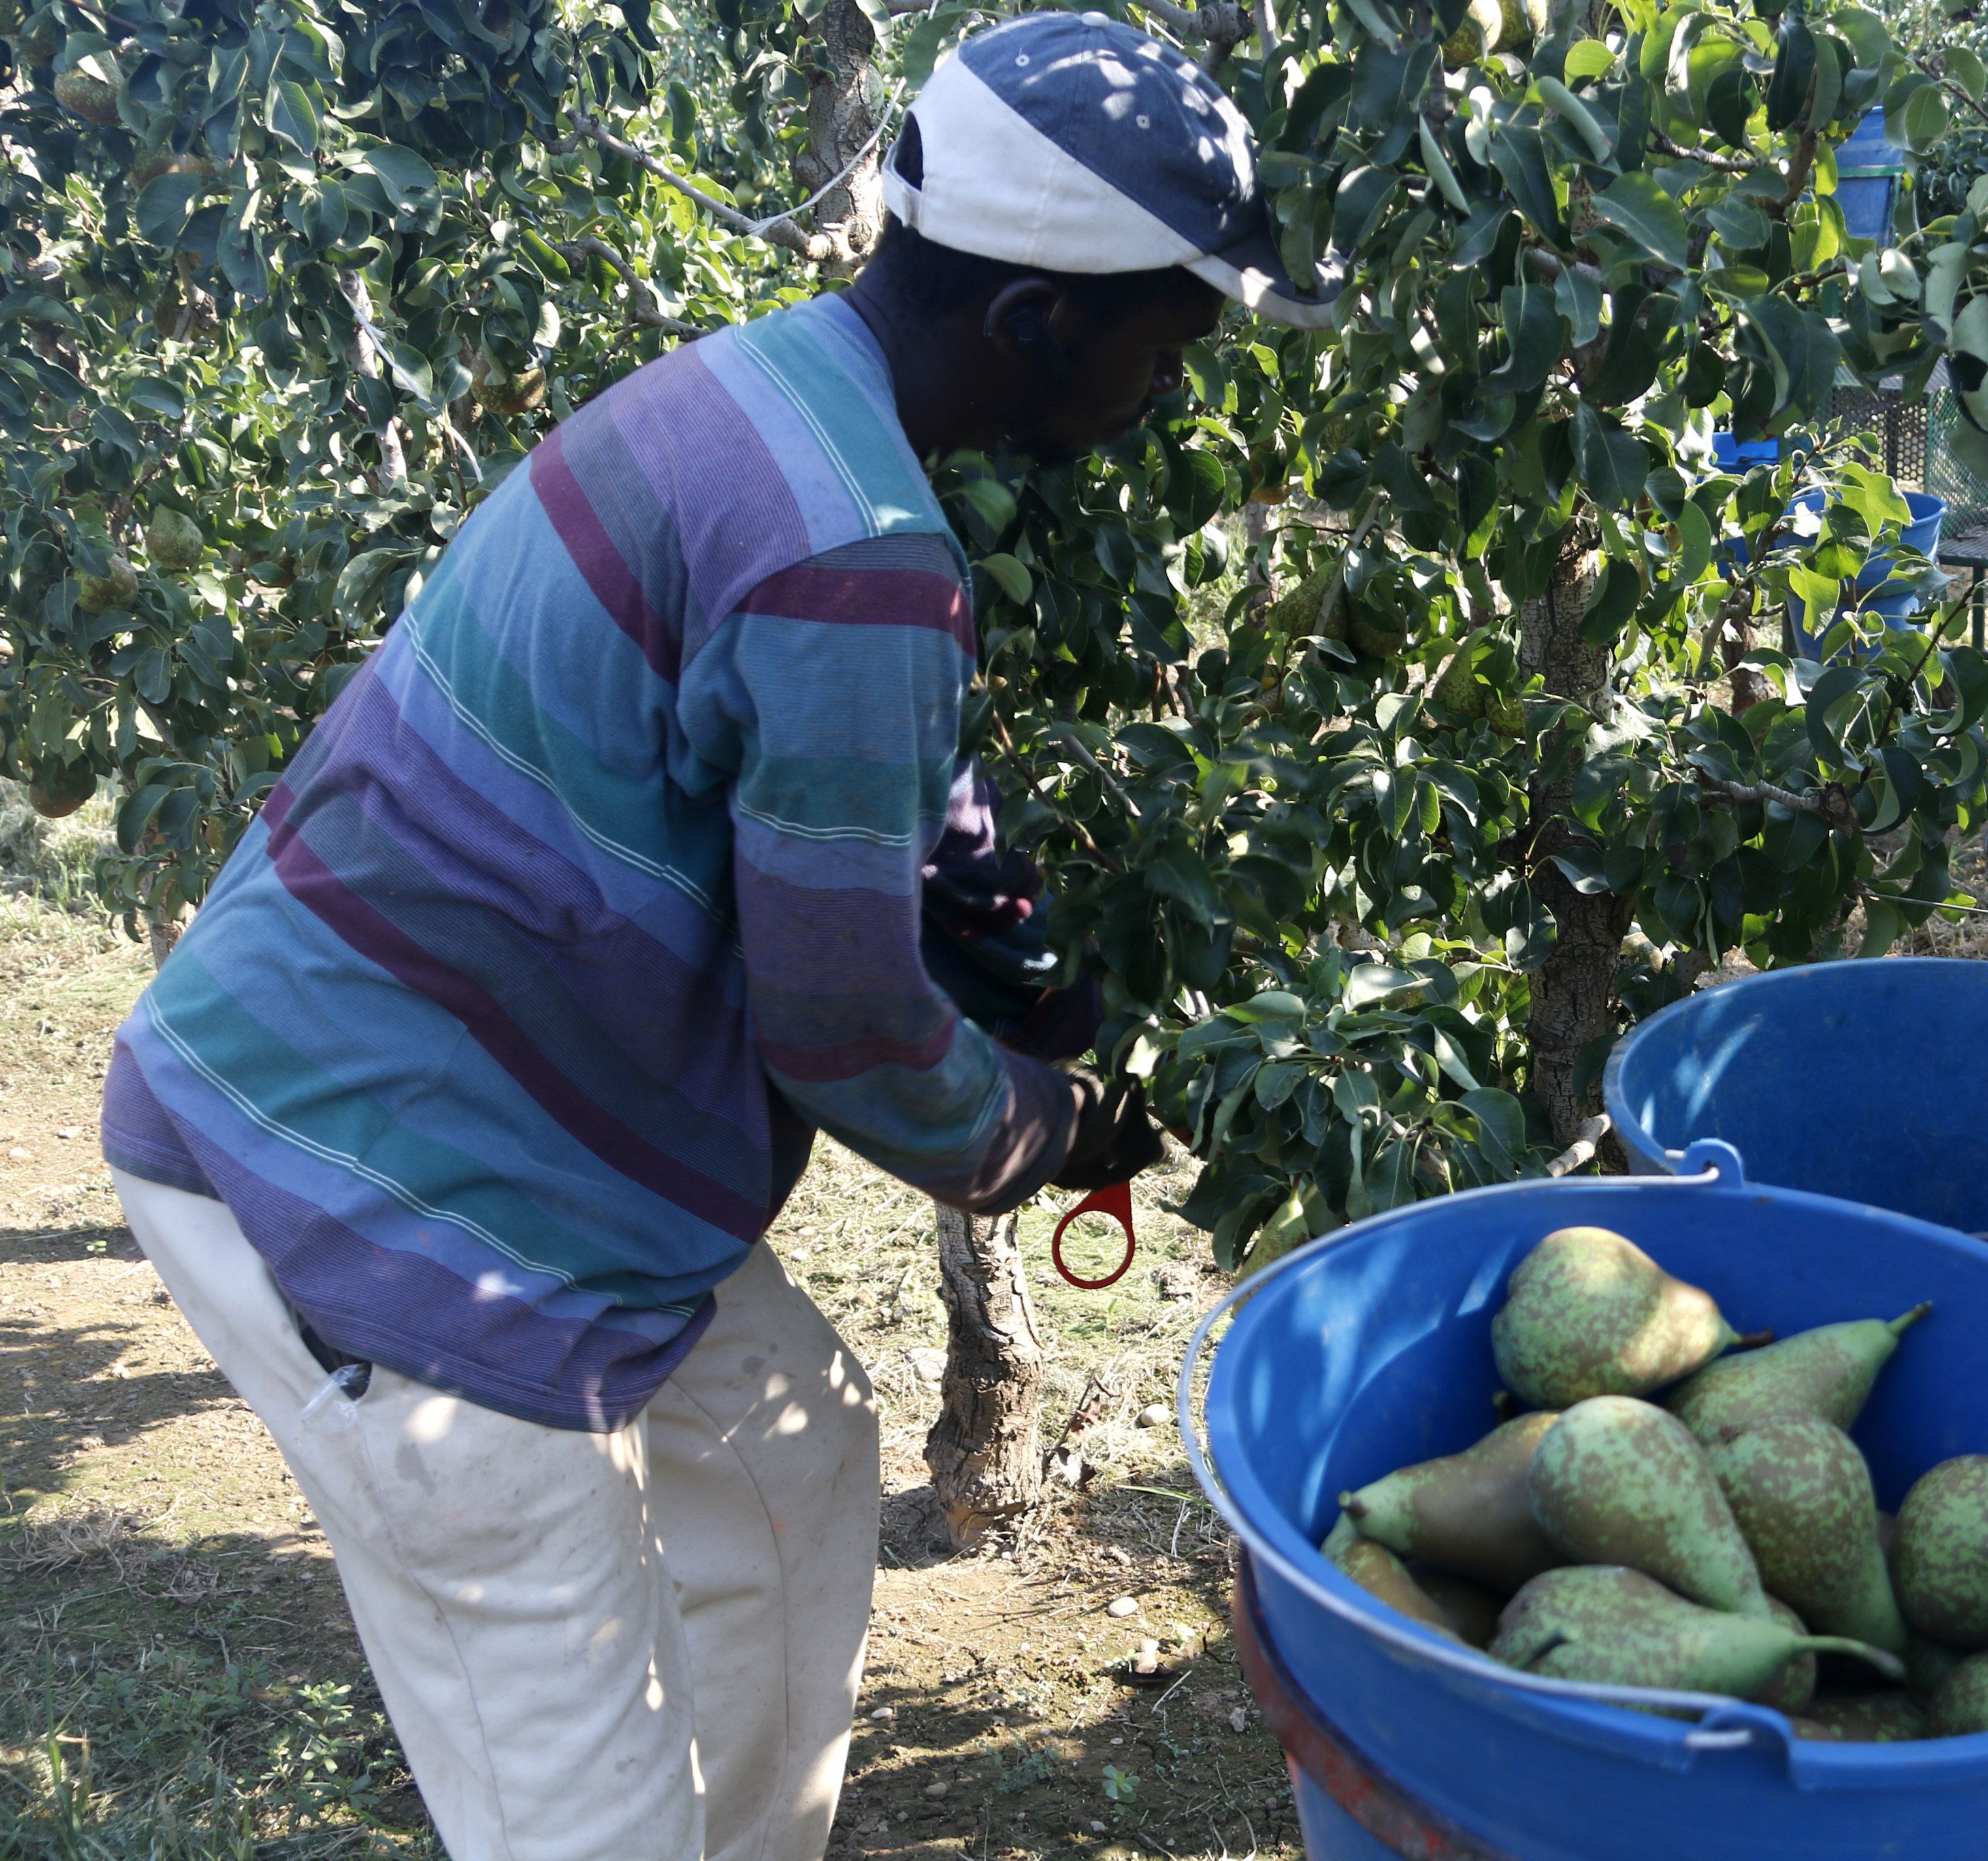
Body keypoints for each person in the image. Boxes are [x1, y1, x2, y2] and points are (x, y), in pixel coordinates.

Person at [93, 14, 1335, 1860]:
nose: (1179, 382)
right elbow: (842, 1037)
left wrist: (992, 910)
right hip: (376, 1188)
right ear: (1040, 322)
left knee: (792, 1455)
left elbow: (852, 757)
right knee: (577, 1804)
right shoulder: (854, 551)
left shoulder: (774, 396)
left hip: (457, 1105)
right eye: (1175, 336)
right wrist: (1040, 1131)